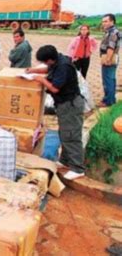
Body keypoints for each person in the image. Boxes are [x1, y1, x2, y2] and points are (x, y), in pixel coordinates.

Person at [26, 45, 85, 180]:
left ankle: (78, 168)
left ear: (50, 59)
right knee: (64, 133)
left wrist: (41, 79)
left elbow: (55, 88)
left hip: (70, 105)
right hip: (64, 104)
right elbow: (49, 69)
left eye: (45, 61)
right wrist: (34, 70)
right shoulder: (57, 60)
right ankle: (65, 160)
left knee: (71, 135)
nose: (45, 64)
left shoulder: (63, 66)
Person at [98, 14, 120, 107]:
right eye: (103, 21)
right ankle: (111, 99)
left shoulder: (113, 32)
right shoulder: (110, 31)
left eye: (106, 21)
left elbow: (111, 47)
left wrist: (108, 59)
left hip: (109, 58)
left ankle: (108, 101)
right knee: (111, 79)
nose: (104, 23)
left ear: (112, 21)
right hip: (111, 58)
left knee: (108, 80)